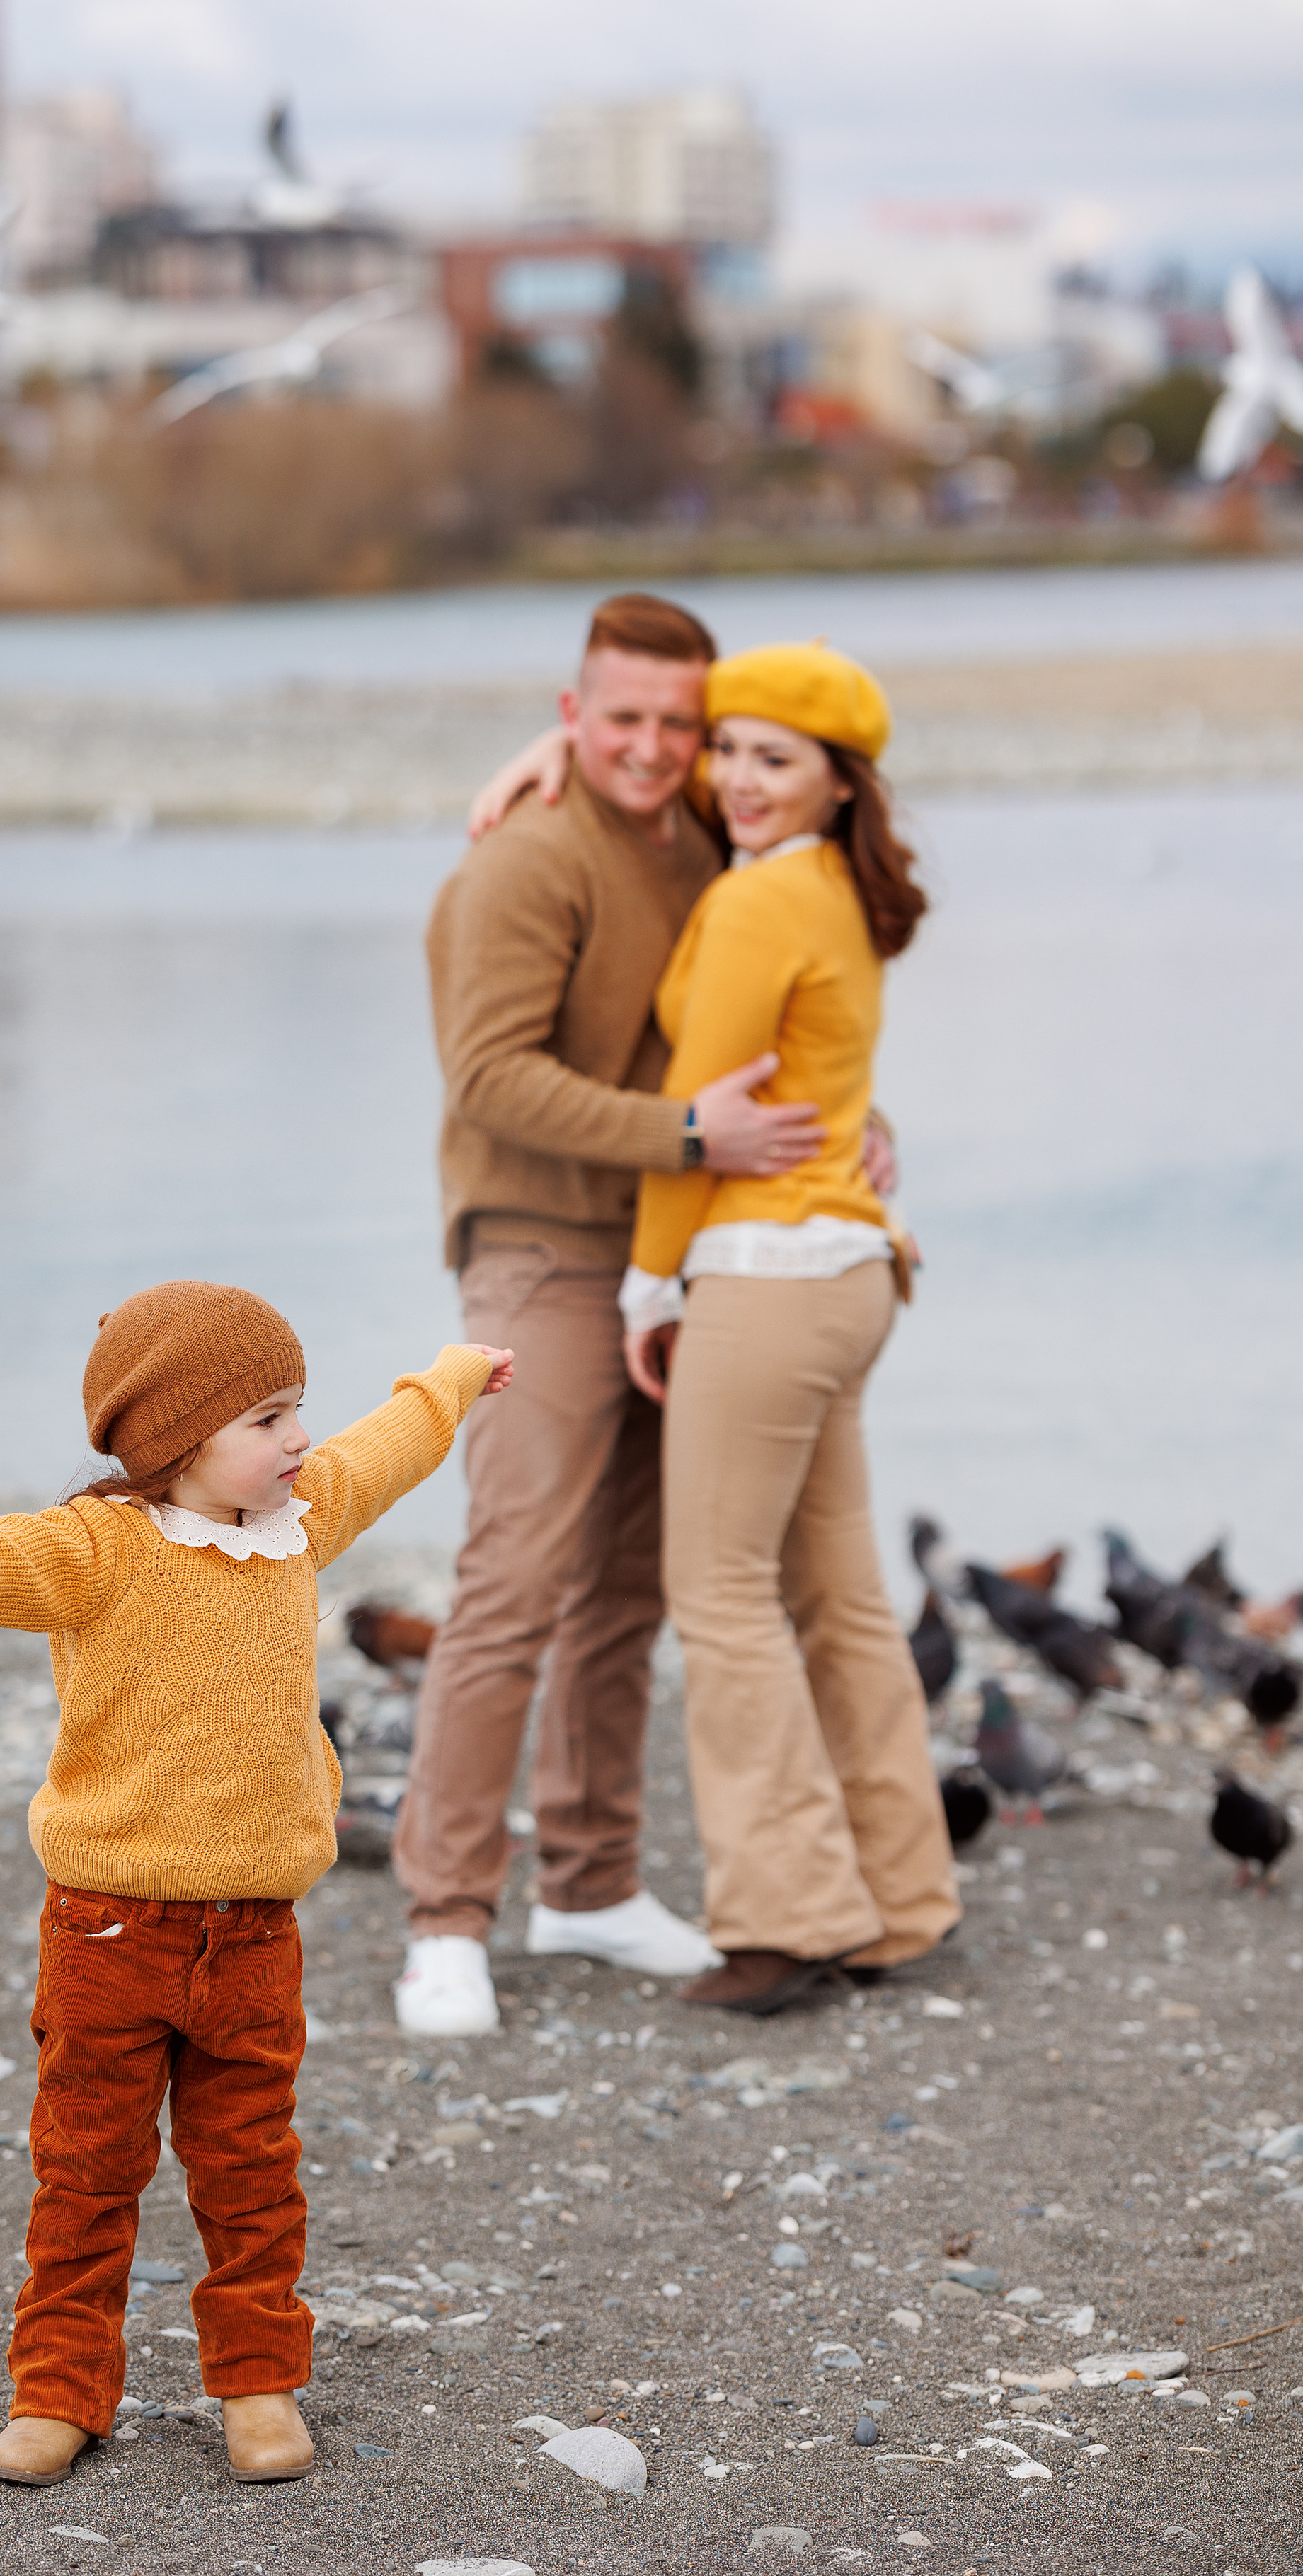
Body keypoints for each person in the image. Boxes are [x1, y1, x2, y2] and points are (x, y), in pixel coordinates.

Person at [0, 1281, 510, 2488]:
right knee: (86, 2174)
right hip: (108, 1929)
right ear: (178, 1439)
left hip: (255, 1934)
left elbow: (381, 1453)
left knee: (252, 2173)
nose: (297, 1440)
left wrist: (446, 1382)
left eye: (297, 1411)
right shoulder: (99, 1549)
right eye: (268, 1418)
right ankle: (60, 2392)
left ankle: (259, 2383)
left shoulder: (301, 1517)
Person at [392, 593, 833, 2042]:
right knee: (513, 1580)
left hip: (669, 1248)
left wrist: (850, 1131)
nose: (651, 748)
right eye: (618, 719)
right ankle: (445, 1916)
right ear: (572, 717)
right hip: (538, 1248)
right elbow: (485, 1079)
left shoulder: (706, 834)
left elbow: (778, 1004)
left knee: (626, 1585)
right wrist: (691, 1140)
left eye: (675, 725)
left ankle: (587, 1881)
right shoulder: (526, 861)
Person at [621, 642, 960, 2018]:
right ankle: (895, 1902)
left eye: (776, 758)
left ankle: (780, 1923)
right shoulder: (835, 888)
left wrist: (649, 1285)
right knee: (837, 1594)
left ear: (835, 781)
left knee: (717, 1594)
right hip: (850, 1275)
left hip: (763, 1275)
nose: (738, 780)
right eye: (728, 750)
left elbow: (700, 1111)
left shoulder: (761, 902)